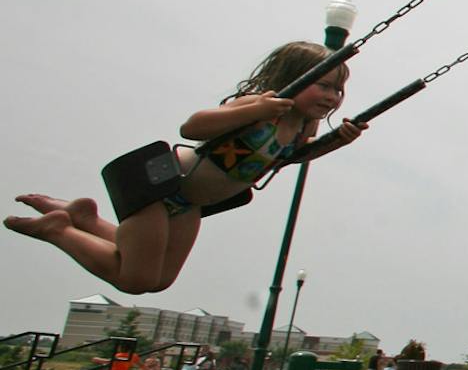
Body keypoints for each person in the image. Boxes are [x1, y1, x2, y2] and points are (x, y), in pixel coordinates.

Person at [8, 41, 368, 294]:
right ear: (294, 78)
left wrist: (338, 141)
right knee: (135, 279)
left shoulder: (304, 126)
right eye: (323, 85)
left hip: (189, 204)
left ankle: (85, 219)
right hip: (162, 183)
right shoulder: (260, 106)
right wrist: (254, 111)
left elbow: (291, 158)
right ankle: (57, 229)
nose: (331, 97)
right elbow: (192, 128)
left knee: (159, 279)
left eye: (338, 91)